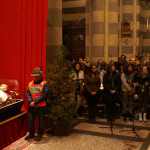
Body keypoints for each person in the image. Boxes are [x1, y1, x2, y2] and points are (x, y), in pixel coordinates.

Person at [25, 67, 50, 141]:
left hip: (41, 106)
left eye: (37, 76)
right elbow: (27, 93)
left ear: (40, 75)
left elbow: (44, 95)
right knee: (30, 121)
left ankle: (39, 135)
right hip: (32, 106)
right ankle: (32, 133)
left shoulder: (45, 84)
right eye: (34, 76)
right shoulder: (30, 83)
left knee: (41, 121)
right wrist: (30, 102)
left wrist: (35, 102)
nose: (35, 77)